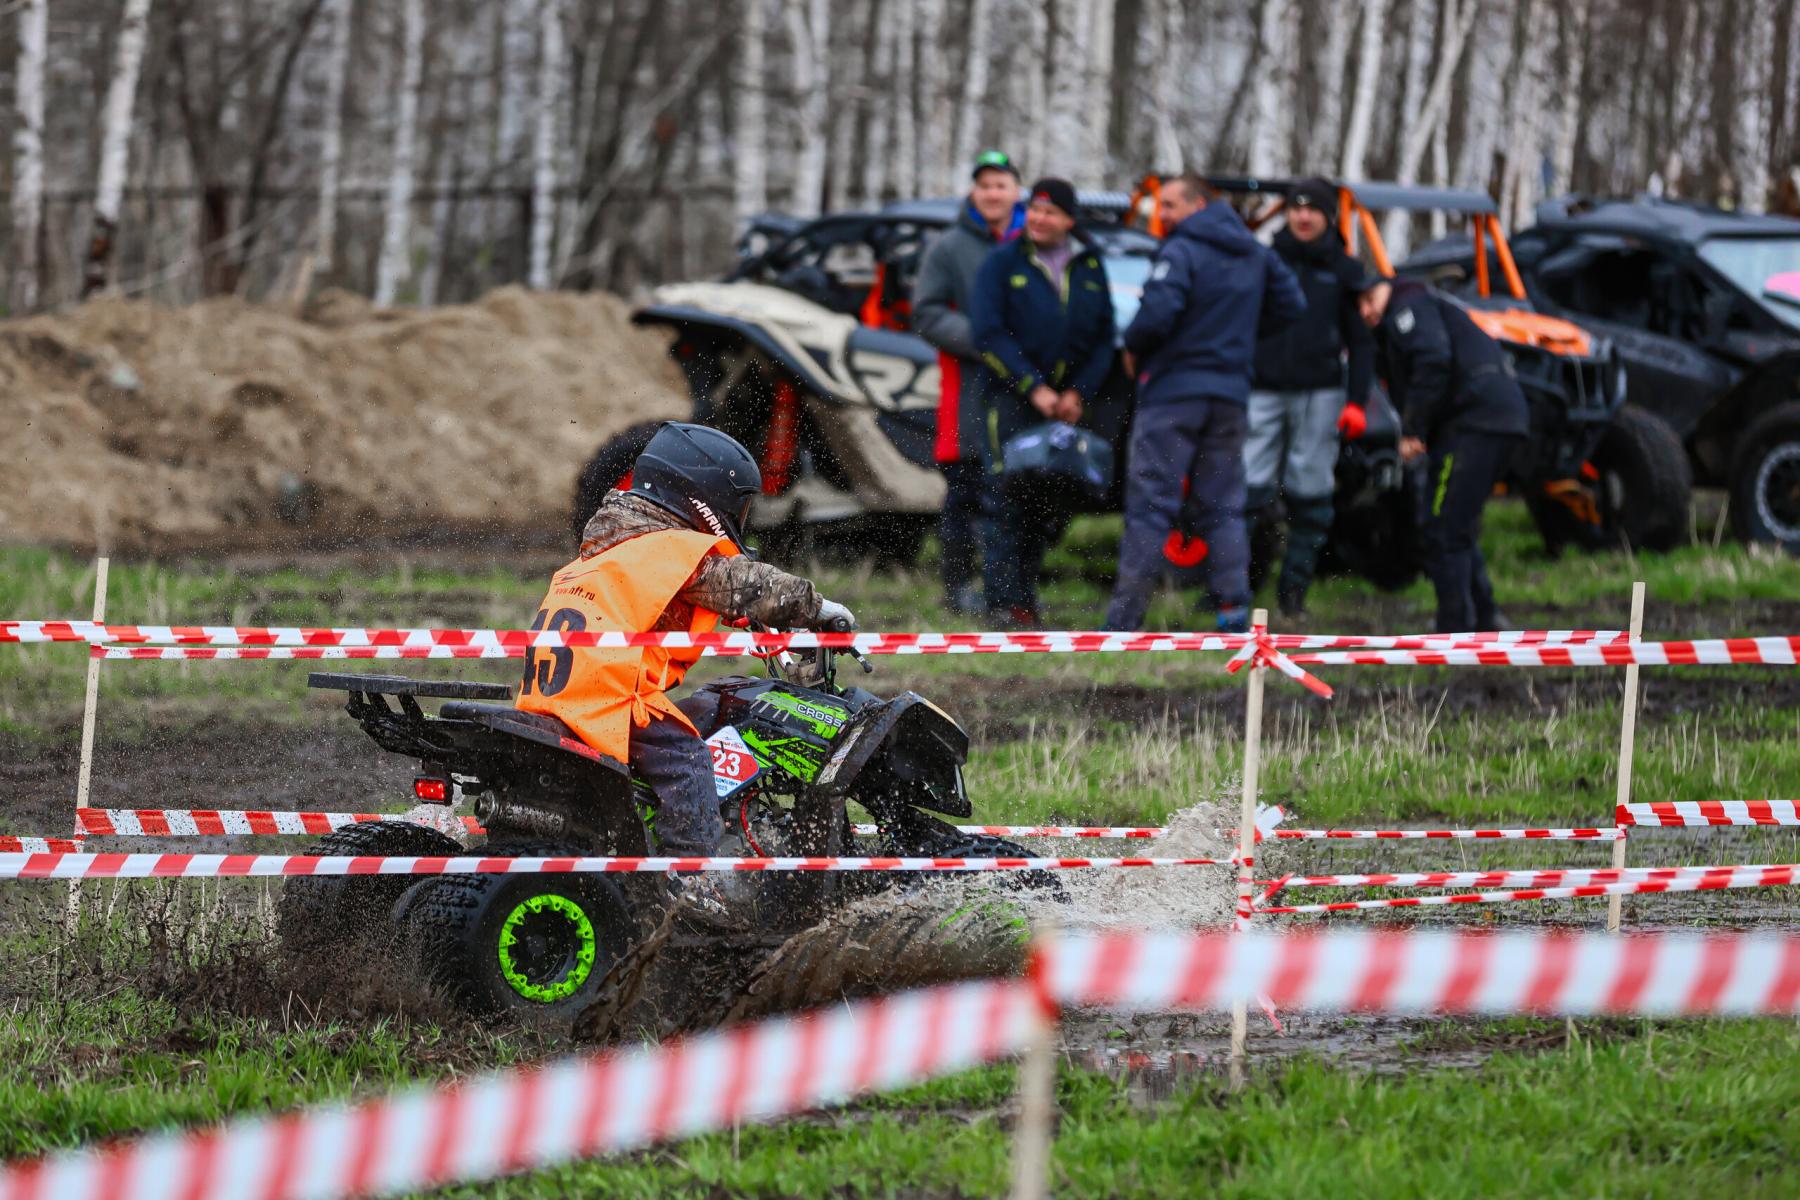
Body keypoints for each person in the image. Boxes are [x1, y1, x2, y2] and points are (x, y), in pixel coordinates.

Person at [517, 422, 856, 860]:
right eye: (740, 505)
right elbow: (740, 583)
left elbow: (679, 600)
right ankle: (690, 872)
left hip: (551, 696)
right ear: (706, 496)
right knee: (688, 762)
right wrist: (817, 607)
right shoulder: (666, 547)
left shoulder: (614, 544)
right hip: (608, 697)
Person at [1102, 174, 1305, 634]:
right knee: (1224, 505)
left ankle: (1124, 621)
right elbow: (1291, 303)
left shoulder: (1182, 249)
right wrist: (1238, 340)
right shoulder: (1254, 251)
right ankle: (1235, 614)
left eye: (1170, 204)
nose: (1163, 214)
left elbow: (1156, 315)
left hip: (1174, 393)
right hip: (1229, 395)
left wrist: (1134, 349)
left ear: (1197, 205)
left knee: (1152, 505)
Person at [970, 177, 1116, 628]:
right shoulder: (1002, 262)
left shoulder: (1089, 265)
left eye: (1050, 212)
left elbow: (1105, 339)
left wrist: (1078, 394)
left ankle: (1024, 601)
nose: (1039, 218)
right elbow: (987, 334)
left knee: (1042, 503)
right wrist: (1033, 387)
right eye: (1034, 209)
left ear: (1069, 220)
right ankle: (999, 604)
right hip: (1012, 401)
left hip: (1065, 408)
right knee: (1005, 498)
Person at [1355, 277, 1530, 632]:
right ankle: (1485, 617)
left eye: (1370, 298)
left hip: (1473, 424)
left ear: (1385, 285)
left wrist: (1413, 429)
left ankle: (1454, 630)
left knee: (1441, 528)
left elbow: (1433, 359)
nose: (1367, 311)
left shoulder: (1410, 305)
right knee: (1455, 523)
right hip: (1498, 418)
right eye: (1359, 305)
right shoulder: (1424, 305)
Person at [1245, 177, 1376, 618]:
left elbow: (1361, 342)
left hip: (1321, 394)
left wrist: (1357, 401)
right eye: (1295, 209)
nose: (1303, 217)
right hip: (1261, 390)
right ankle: (1235, 593)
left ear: (1327, 216)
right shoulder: (1263, 259)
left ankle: (1293, 594)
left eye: (1312, 210)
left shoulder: (1345, 269)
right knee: (1248, 492)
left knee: (1312, 495)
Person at [912, 149, 1025, 616]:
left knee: (1016, 494)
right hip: (968, 394)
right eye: (985, 185)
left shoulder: (1033, 242)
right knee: (964, 493)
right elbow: (927, 313)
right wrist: (986, 342)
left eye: (1001, 184)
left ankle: (1013, 591)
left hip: (1023, 393)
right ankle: (958, 587)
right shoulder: (949, 248)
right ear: (973, 193)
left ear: (1016, 191)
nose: (993, 193)